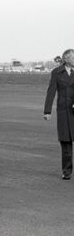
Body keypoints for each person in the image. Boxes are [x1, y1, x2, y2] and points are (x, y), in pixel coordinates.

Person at [44, 49, 74, 180]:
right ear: (66, 59)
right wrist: (47, 111)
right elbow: (51, 92)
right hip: (63, 112)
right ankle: (66, 171)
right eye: (73, 57)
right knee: (66, 142)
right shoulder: (56, 73)